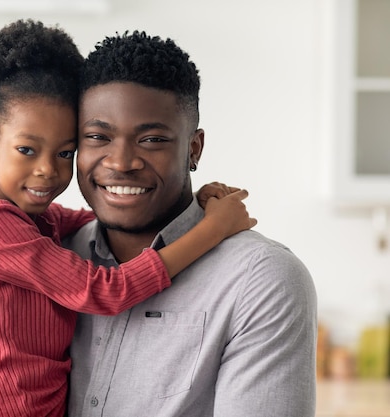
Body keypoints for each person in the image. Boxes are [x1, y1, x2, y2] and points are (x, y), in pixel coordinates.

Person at [0, 20, 256, 417]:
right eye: (26, 150)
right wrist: (213, 228)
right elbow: (105, 291)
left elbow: (113, 210)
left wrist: (197, 203)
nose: (47, 171)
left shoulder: (38, 221)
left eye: (64, 153)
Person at [65, 31, 317, 417]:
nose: (121, 162)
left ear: (193, 149)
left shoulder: (261, 280)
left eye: (151, 139)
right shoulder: (56, 254)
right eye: (98, 136)